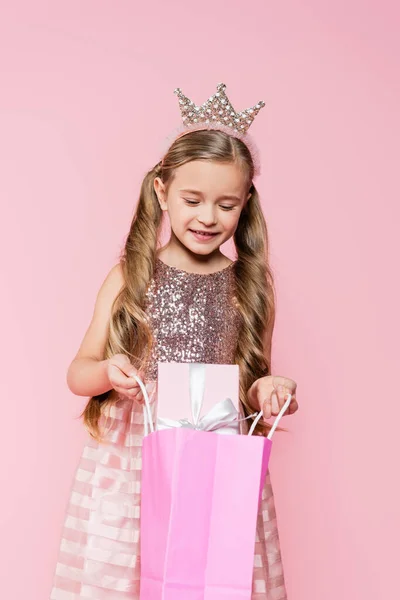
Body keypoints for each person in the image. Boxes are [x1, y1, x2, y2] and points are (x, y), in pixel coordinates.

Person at [50, 83, 299, 600]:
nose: (208, 217)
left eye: (226, 205)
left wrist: (271, 389)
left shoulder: (248, 287)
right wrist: (108, 369)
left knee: (210, 576)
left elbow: (251, 386)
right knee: (130, 575)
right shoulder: (130, 277)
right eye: (192, 199)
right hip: (133, 460)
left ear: (246, 203)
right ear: (161, 191)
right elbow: (79, 372)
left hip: (215, 453)